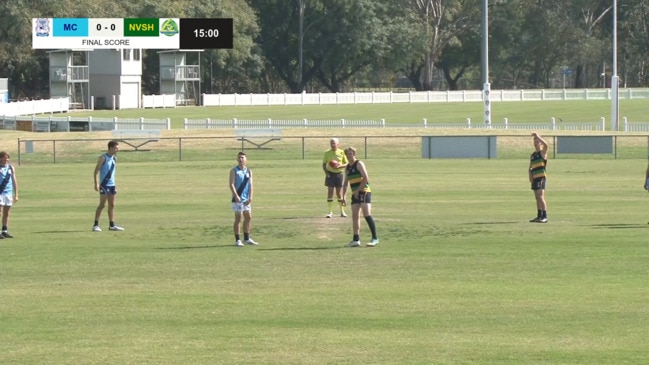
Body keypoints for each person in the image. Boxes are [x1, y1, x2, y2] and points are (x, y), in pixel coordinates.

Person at [341, 147, 378, 247]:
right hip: (355, 193)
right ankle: (356, 239)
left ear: (354, 154)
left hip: (364, 191)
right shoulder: (347, 167)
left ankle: (375, 238)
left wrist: (358, 190)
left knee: (367, 214)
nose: (349, 155)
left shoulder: (359, 164)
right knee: (355, 215)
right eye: (348, 154)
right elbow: (345, 183)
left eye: (351, 153)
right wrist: (343, 196)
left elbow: (366, 178)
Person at [93, 140, 125, 232]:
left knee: (112, 205)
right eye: (116, 148)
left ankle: (112, 225)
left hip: (112, 185)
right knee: (102, 205)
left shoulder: (115, 158)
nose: (117, 150)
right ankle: (95, 225)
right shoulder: (103, 158)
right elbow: (96, 171)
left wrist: (115, 185)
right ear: (110, 148)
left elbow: (113, 173)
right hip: (104, 184)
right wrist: (96, 183)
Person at [230, 151, 258, 247]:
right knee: (238, 218)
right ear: (237, 159)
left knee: (248, 217)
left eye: (243, 157)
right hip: (238, 199)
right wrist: (236, 195)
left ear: (246, 159)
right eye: (239, 158)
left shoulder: (249, 171)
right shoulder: (234, 171)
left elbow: (250, 184)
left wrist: (250, 197)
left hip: (246, 199)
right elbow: (231, 184)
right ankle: (237, 240)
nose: (241, 159)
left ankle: (246, 238)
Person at [322, 138, 348, 218]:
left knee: (339, 193)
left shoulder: (341, 152)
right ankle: (330, 212)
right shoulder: (327, 153)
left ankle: (342, 211)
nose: (332, 144)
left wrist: (340, 166)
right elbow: (324, 164)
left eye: (334, 143)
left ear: (338, 144)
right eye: (331, 143)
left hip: (339, 174)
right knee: (330, 192)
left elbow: (346, 163)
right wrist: (327, 173)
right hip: (330, 174)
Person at [529, 132, 549, 223]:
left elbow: (546, 145)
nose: (535, 143)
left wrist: (538, 136)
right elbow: (531, 167)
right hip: (535, 177)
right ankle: (539, 215)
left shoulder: (542, 153)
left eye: (537, 141)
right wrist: (530, 174)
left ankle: (545, 216)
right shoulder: (533, 155)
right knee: (537, 197)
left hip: (541, 177)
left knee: (541, 196)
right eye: (534, 141)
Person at [0, 151, 18, 238]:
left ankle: (4, 230)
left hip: (8, 193)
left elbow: (14, 181)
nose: (6, 159)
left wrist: (16, 193)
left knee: (6, 213)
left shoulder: (11, 168)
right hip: (0, 192)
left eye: (7, 157)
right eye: (4, 157)